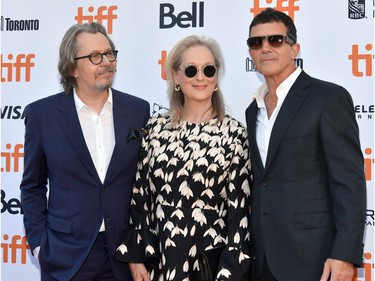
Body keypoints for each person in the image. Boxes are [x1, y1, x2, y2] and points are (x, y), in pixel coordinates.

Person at [115, 35, 252, 281]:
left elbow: (238, 218)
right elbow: (140, 200)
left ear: (217, 78)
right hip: (159, 263)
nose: (201, 77)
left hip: (210, 268)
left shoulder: (235, 135)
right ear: (176, 76)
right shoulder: (155, 129)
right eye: (191, 70)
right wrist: (136, 258)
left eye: (209, 70)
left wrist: (228, 274)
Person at [20, 22, 150, 281]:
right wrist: (38, 245)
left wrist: (139, 250)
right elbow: (32, 186)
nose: (106, 62)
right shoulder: (42, 115)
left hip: (122, 255)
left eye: (110, 53)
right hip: (65, 255)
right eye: (94, 56)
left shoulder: (138, 110)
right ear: (71, 68)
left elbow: (144, 185)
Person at [245, 8, 367, 281]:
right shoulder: (253, 111)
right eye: (256, 42)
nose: (265, 48)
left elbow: (349, 181)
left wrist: (345, 254)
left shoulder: (327, 98)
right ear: (250, 53)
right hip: (262, 258)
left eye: (275, 40)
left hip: (315, 258)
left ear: (294, 49)